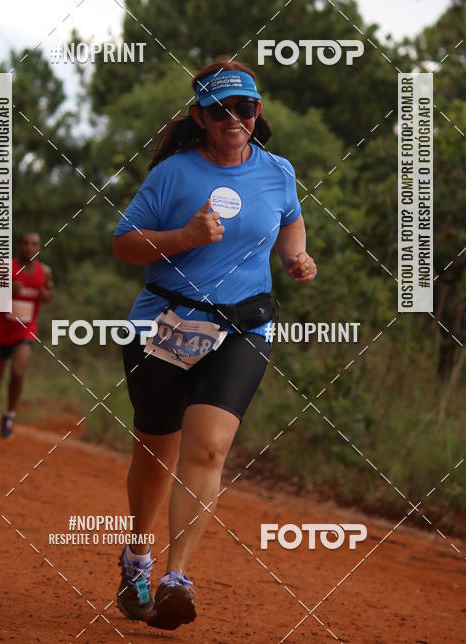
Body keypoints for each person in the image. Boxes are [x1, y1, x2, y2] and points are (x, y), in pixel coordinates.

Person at [112, 58, 317, 629]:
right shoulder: (172, 175)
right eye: (221, 110)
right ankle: (138, 558)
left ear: (257, 113)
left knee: (207, 449)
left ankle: (177, 578)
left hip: (244, 326)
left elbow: (290, 221)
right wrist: (182, 237)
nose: (234, 118)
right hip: (165, 324)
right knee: (156, 451)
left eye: (245, 108)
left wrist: (296, 256)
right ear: (201, 117)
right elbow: (124, 245)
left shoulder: (278, 171)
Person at [0, 232, 53, 443]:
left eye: (34, 244)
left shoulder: (45, 272)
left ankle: (9, 415)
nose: (29, 247)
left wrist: (46, 296)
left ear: (39, 248)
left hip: (26, 328)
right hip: (2, 328)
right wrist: (7, 290)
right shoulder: (6, 268)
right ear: (19, 246)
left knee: (18, 371)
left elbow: (49, 293)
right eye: (25, 243)